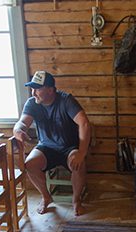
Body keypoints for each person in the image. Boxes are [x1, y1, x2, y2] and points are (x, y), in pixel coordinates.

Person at [13, 70, 91, 216]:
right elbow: (22, 123)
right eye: (32, 88)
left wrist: (82, 152)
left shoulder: (66, 100)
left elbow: (84, 124)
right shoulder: (33, 103)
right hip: (46, 147)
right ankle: (46, 197)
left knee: (79, 163)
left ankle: (76, 200)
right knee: (29, 164)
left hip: (69, 147)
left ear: (50, 89)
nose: (33, 93)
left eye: (37, 89)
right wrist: (18, 130)